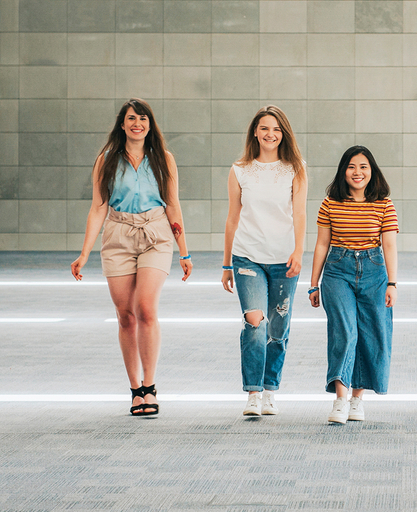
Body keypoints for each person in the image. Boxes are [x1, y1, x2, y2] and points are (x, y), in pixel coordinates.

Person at [71, 98, 193, 417]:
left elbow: (173, 205)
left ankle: (151, 387)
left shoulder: (164, 159)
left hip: (156, 234)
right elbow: (98, 207)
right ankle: (136, 389)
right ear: (122, 124)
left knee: (145, 308)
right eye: (130, 118)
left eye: (142, 118)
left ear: (150, 125)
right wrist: (84, 253)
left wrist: (184, 251)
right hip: (118, 236)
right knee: (125, 315)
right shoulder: (107, 160)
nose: (137, 123)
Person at [222, 105, 307, 417]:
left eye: (276, 129)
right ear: (255, 133)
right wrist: (226, 263)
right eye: (264, 128)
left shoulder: (295, 168)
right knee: (255, 324)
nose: (270, 134)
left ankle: (271, 389)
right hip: (248, 257)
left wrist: (299, 251)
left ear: (283, 134)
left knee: (278, 328)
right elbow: (233, 218)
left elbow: (299, 213)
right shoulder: (240, 170)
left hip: (284, 260)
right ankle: (254, 393)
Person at [308, 146, 399, 424]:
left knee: (370, 334)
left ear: (372, 171)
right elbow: (322, 244)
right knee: (344, 332)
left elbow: (390, 245)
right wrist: (314, 284)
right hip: (338, 271)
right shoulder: (330, 203)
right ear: (343, 171)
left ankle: (357, 399)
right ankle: (340, 399)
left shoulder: (384, 203)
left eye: (363, 167)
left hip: (374, 272)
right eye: (351, 167)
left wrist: (392, 283)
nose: (357, 172)